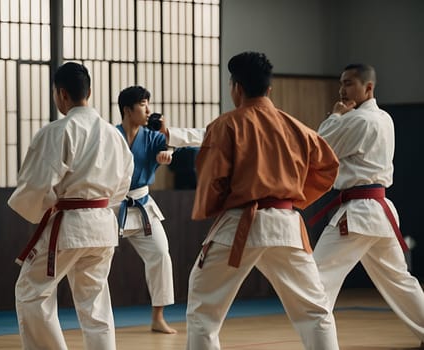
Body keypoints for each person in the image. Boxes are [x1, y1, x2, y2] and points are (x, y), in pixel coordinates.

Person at [185, 51, 341, 350]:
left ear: (236, 88)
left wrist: (221, 204)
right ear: (269, 89)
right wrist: (293, 197)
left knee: (204, 311)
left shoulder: (225, 125)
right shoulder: (297, 127)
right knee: (314, 311)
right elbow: (328, 167)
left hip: (240, 224)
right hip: (287, 225)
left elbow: (210, 180)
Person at [8, 62, 133, 350]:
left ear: (61, 93)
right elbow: (123, 185)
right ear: (89, 91)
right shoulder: (114, 135)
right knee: (95, 303)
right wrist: (99, 207)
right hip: (103, 227)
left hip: (69, 226)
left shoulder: (59, 130)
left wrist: (45, 208)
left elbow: (35, 184)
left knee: (31, 292)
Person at [311, 63, 424, 346]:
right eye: (341, 83)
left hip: (359, 213)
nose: (342, 89)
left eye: (349, 83)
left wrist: (335, 116)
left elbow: (319, 148)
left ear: (368, 87)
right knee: (400, 280)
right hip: (380, 211)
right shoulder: (385, 118)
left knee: (315, 279)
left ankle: (320, 342)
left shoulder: (358, 120)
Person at [115, 85, 180, 334]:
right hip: (114, 205)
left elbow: (169, 147)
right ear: (127, 110)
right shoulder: (112, 136)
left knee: (161, 254)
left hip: (142, 205)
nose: (148, 110)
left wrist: (167, 153)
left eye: (147, 104)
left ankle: (158, 317)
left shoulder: (152, 137)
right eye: (143, 104)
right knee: (98, 260)